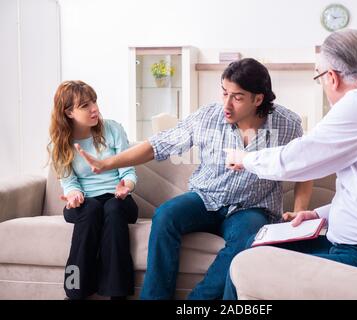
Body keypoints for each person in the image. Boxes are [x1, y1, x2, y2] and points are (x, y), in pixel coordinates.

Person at [223, 29, 357, 299]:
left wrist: (243, 158)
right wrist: (320, 214)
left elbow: (298, 159)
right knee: (256, 243)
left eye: (319, 77)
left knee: (249, 260)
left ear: (332, 77)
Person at [74, 58, 313, 300]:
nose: (227, 104)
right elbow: (158, 145)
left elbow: (304, 167)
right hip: (205, 198)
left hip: (251, 206)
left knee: (247, 238)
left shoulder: (287, 124)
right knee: (166, 215)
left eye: (237, 97)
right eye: (224, 93)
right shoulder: (208, 117)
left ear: (258, 99)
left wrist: (299, 210)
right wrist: (107, 163)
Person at [48, 80, 138, 300]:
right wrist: (73, 195)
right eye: (85, 105)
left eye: (94, 101)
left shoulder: (113, 129)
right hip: (84, 203)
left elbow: (128, 172)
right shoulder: (59, 144)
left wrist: (126, 187)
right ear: (69, 112)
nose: (94, 108)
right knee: (92, 210)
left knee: (113, 209)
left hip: (118, 198)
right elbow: (69, 183)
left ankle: (117, 293)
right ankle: (75, 289)